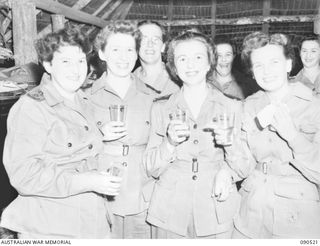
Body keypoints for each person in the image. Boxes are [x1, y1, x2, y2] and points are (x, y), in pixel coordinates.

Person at [0, 26, 122, 239]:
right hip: (50, 226)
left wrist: (102, 137)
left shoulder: (84, 101)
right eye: (65, 61)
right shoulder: (32, 107)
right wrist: (89, 181)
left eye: (81, 60)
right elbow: (24, 174)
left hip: (92, 220)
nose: (75, 69)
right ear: (48, 64)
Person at [143, 30, 241, 239]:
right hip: (170, 211)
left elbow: (246, 165)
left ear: (209, 63)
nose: (190, 65)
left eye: (198, 57)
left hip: (215, 211)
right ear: (174, 67)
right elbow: (152, 168)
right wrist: (168, 143)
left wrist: (228, 169)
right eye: (182, 59)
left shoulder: (232, 106)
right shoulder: (161, 108)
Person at [228, 31, 320, 238]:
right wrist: (228, 147)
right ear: (252, 72)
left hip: (297, 217)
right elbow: (243, 165)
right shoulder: (249, 105)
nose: (266, 71)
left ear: (288, 65)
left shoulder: (314, 106)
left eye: (274, 62)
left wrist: (293, 137)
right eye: (258, 65)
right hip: (251, 211)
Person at [88, 20, 154, 239]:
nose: (123, 57)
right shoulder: (86, 96)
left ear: (137, 54)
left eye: (129, 50)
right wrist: (99, 136)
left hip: (143, 192)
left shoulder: (153, 96)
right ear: (102, 53)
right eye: (115, 49)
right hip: (101, 191)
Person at [133, 20, 180, 99]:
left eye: (156, 39)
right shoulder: (129, 81)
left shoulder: (178, 79)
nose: (150, 44)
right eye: (144, 39)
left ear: (163, 47)